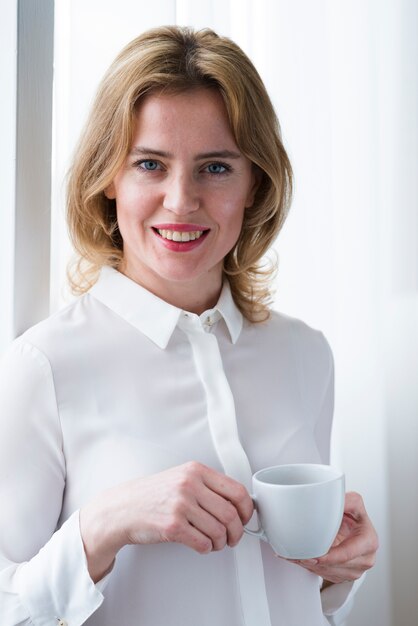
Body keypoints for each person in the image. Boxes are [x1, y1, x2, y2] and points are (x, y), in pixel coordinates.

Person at [0, 25, 378, 626]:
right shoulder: (42, 368)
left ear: (255, 183)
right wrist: (105, 524)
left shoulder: (305, 353)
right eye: (150, 164)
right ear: (108, 180)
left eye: (216, 168)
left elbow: (299, 594)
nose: (181, 201)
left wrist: (338, 570)